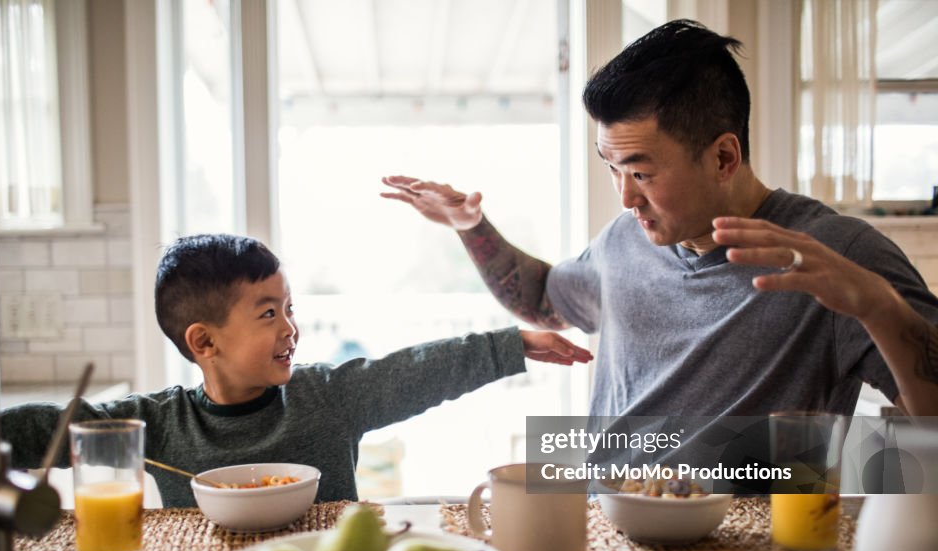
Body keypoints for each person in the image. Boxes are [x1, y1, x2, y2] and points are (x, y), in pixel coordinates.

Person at [382, 19, 938, 419]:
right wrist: (470, 226)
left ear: (724, 157)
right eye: (611, 168)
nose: (625, 199)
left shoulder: (834, 254)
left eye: (641, 173)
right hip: (604, 532)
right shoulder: (626, 238)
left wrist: (878, 305)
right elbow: (544, 300)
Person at [0, 234, 592, 506]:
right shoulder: (156, 424)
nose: (291, 327)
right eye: (268, 313)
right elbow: (46, 427)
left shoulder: (325, 396)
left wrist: (511, 345)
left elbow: (415, 369)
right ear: (203, 341)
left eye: (290, 308)